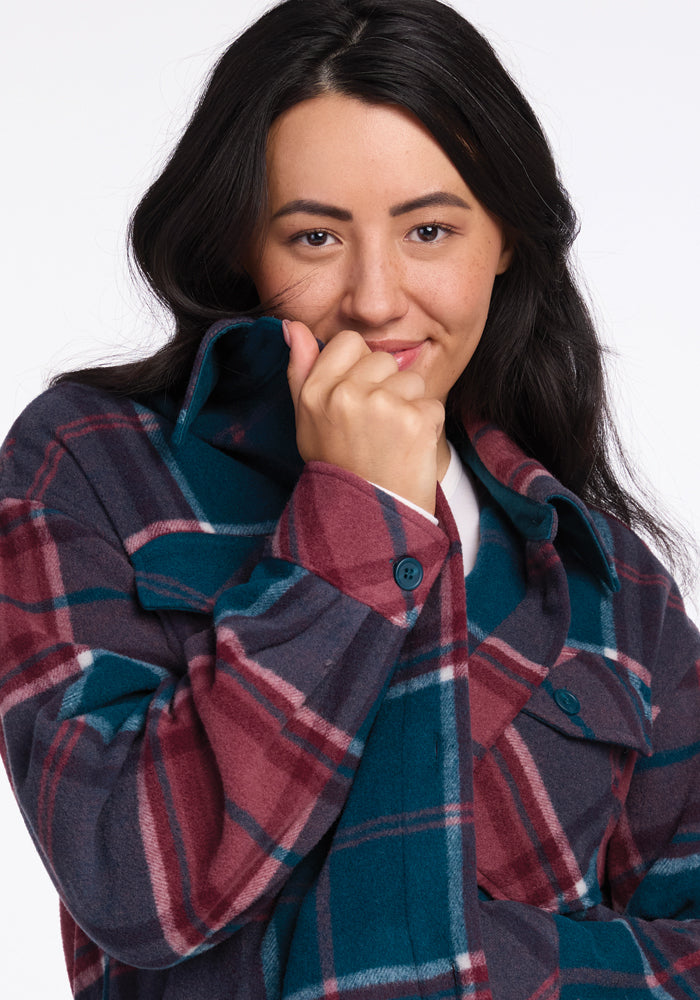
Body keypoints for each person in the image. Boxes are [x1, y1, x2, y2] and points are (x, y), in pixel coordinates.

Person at [0, 0, 698, 997]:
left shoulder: (609, 581)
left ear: (502, 241)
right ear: (244, 244)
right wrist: (355, 516)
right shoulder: (91, 462)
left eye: (427, 229)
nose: (375, 298)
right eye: (316, 238)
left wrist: (467, 966)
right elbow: (135, 883)